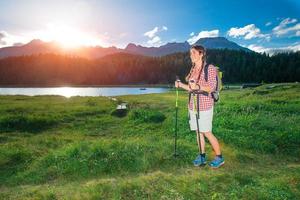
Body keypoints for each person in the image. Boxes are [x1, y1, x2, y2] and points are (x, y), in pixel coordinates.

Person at [174, 45, 224, 168]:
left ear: (202, 54)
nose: (192, 55)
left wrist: (199, 87)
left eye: (194, 53)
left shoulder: (209, 68)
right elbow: (192, 88)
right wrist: (180, 85)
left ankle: (219, 157)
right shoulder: (193, 70)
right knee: (198, 132)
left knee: (206, 131)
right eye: (191, 53)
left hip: (205, 105)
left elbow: (211, 87)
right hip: (193, 105)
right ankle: (202, 156)